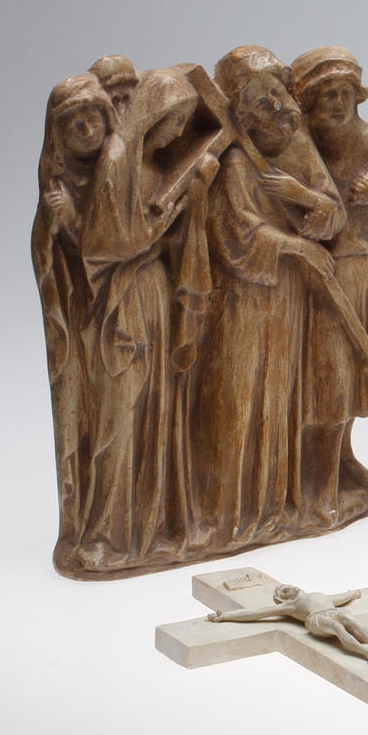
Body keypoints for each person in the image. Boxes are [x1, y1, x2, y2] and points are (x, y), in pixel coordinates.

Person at [192, 45, 344, 550]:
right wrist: (298, 246)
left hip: (289, 301)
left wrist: (302, 196)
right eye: (261, 104)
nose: (278, 110)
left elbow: (334, 215)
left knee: (279, 400)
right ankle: (231, 512)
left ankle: (273, 505)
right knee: (240, 398)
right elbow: (236, 233)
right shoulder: (236, 161)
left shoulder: (299, 145)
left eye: (279, 95)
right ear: (243, 116)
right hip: (245, 301)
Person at [72, 68, 218, 572]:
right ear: (154, 112)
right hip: (125, 298)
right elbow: (106, 243)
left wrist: (196, 198)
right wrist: (167, 216)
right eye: (174, 120)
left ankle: (154, 525)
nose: (178, 132)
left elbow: (170, 240)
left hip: (155, 292)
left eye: (182, 123)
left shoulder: (155, 165)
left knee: (160, 408)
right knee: (122, 414)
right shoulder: (117, 160)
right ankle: (106, 535)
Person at [291, 47, 368, 527]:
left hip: (359, 261)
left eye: (345, 94)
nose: (338, 104)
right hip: (317, 268)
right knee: (327, 375)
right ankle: (317, 477)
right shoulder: (300, 143)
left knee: (355, 369)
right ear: (309, 102)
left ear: (358, 96)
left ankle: (342, 458)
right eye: (327, 95)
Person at [32, 73, 115, 572]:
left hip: (129, 318)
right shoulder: (57, 187)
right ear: (58, 135)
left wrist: (76, 224)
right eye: (73, 123)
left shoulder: (123, 170)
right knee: (92, 414)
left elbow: (121, 243)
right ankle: (94, 523)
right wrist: (56, 224)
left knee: (121, 420)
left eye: (93, 117)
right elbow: (51, 263)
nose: (86, 129)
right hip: (86, 322)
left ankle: (117, 523)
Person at [207, 584, 368, 662]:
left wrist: (352, 594)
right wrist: (226, 616)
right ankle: (365, 652)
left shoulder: (318, 594)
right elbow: (257, 612)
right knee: (337, 628)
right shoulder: (290, 606)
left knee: (350, 618)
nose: (288, 588)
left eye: (287, 586)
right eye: (283, 591)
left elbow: (339, 598)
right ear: (282, 599)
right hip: (316, 619)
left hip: (333, 610)